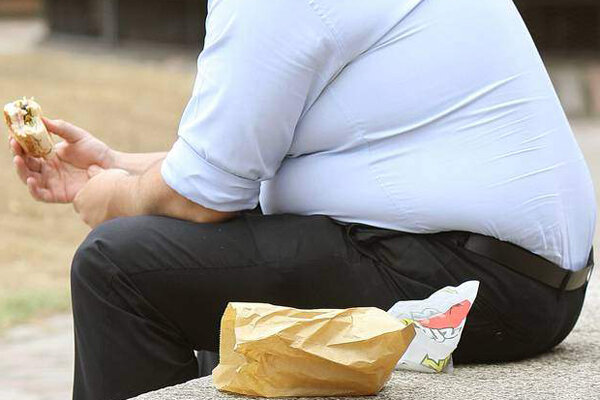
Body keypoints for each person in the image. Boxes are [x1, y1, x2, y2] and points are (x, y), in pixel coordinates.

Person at [10, 1, 596, 399]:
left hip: (464, 288)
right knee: (202, 258)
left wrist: (112, 197)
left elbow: (206, 196)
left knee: (118, 265)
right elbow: (232, 165)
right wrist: (119, 166)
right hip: (527, 281)